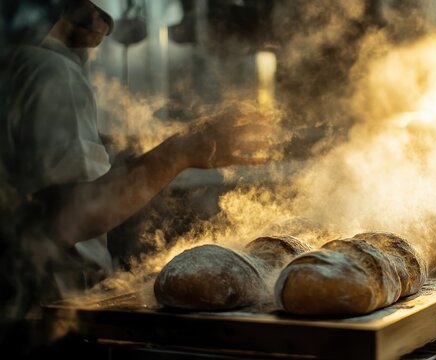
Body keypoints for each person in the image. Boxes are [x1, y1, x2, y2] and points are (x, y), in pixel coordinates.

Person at [0, 0, 279, 330]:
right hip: (48, 309)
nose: (104, 34)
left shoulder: (14, 64)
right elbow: (71, 215)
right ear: (87, 15)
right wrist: (179, 151)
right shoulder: (51, 71)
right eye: (105, 20)